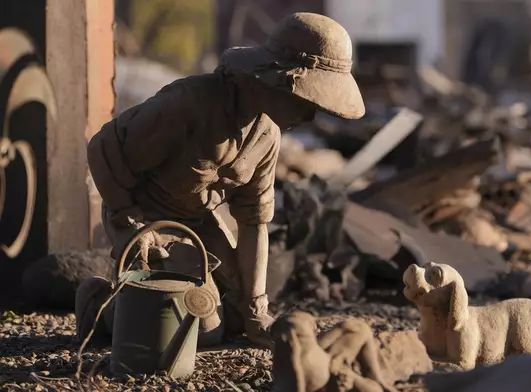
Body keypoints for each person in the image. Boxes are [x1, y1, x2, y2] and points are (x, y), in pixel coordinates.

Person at [86, 12, 365, 348]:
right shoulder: (188, 104)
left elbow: (254, 222)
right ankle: (99, 305)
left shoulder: (267, 136)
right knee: (202, 328)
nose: (308, 117)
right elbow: (103, 148)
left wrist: (255, 307)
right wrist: (129, 222)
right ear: (277, 80)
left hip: (199, 222)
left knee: (236, 321)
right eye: (306, 102)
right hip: (145, 216)